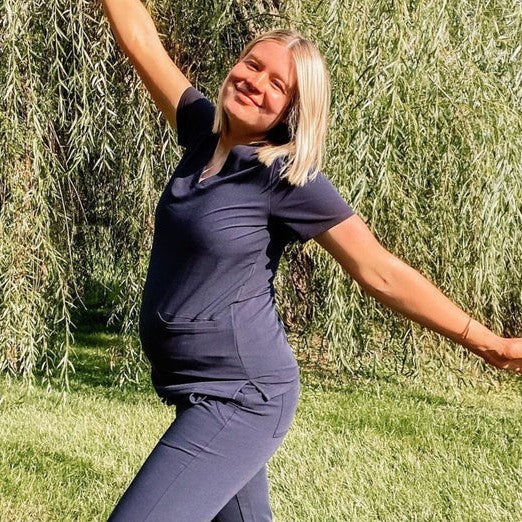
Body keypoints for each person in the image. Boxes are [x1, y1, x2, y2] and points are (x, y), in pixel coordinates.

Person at [101, 1, 522, 520]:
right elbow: (142, 41)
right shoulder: (200, 130)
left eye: (278, 85)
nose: (256, 82)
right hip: (200, 387)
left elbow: (379, 271)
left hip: (242, 395)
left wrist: (488, 343)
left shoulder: (284, 178)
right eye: (253, 64)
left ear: (291, 112)